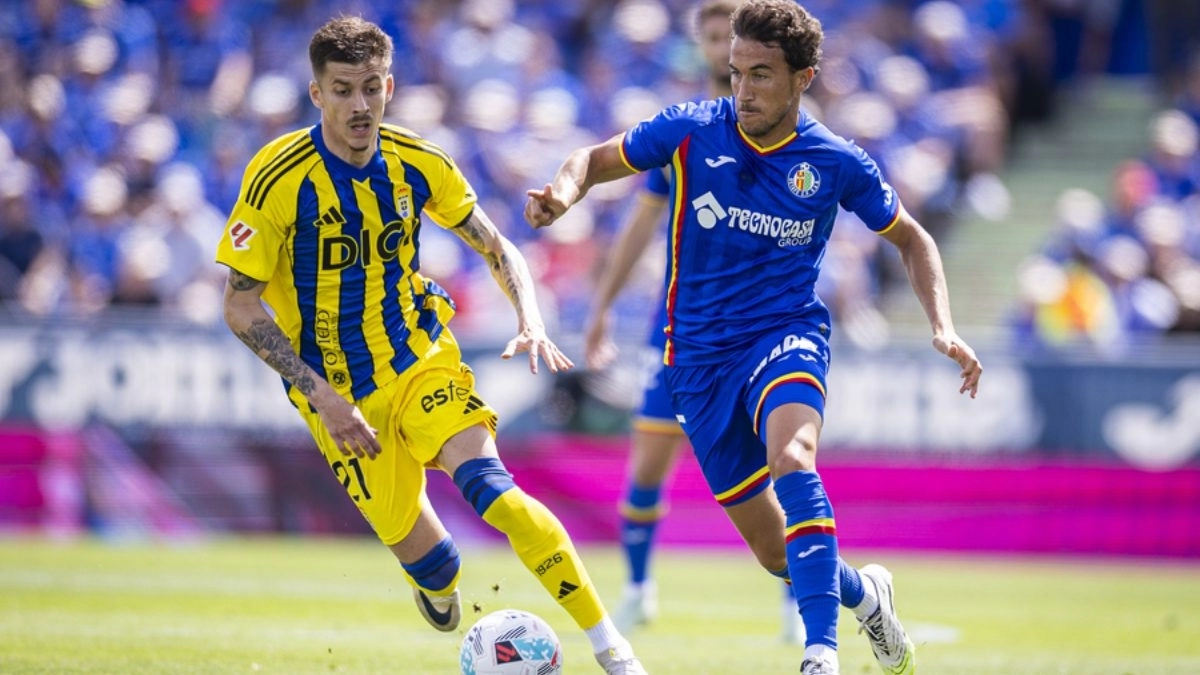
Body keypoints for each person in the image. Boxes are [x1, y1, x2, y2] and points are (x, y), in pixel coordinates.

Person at [526, 2, 983, 674]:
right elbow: (590, 161)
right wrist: (562, 196)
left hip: (785, 335)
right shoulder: (689, 130)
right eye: (737, 72)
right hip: (697, 364)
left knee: (794, 456)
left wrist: (942, 326)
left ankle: (819, 653)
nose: (743, 89)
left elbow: (912, 238)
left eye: (762, 75)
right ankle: (866, 594)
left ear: (804, 77)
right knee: (776, 553)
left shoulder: (833, 160)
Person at [215, 17, 646, 675]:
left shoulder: (417, 160)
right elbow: (239, 303)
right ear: (316, 94)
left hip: (420, 357)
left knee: (497, 494)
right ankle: (434, 580)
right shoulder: (278, 179)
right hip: (337, 395)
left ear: (388, 85)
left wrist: (529, 315)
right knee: (436, 565)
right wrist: (321, 395)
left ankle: (614, 649)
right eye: (341, 90)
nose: (358, 105)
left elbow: (497, 246)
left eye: (369, 88)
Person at [583, 0, 802, 644]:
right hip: (677, 328)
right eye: (710, 39)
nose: (717, 50)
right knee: (647, 461)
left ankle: (797, 594)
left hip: (758, 329)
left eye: (725, 38)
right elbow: (640, 225)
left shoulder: (783, 127)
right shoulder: (685, 130)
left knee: (780, 462)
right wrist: (600, 310)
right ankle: (638, 589)